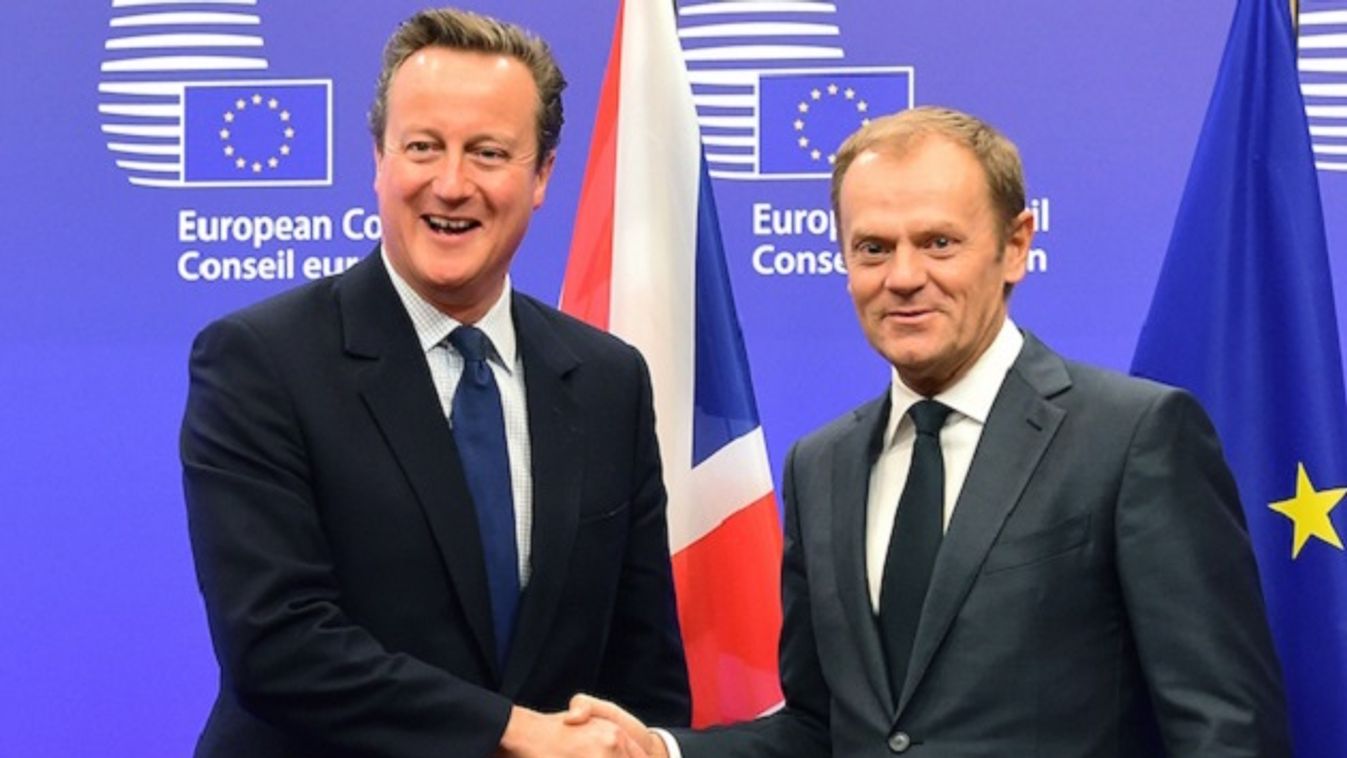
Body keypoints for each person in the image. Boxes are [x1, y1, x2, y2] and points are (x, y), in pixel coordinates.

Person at [569, 106, 1291, 757]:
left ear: (1015, 246)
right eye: (873, 248)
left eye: (938, 242)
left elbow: (1223, 728)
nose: (904, 276)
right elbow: (821, 728)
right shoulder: (820, 466)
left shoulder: (1134, 437)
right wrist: (659, 752)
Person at [180, 7, 690, 757]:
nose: (451, 185)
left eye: (488, 153)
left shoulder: (609, 381)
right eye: (423, 147)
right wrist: (515, 733)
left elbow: (642, 671)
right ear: (379, 159)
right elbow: (277, 644)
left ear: (542, 175)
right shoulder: (260, 362)